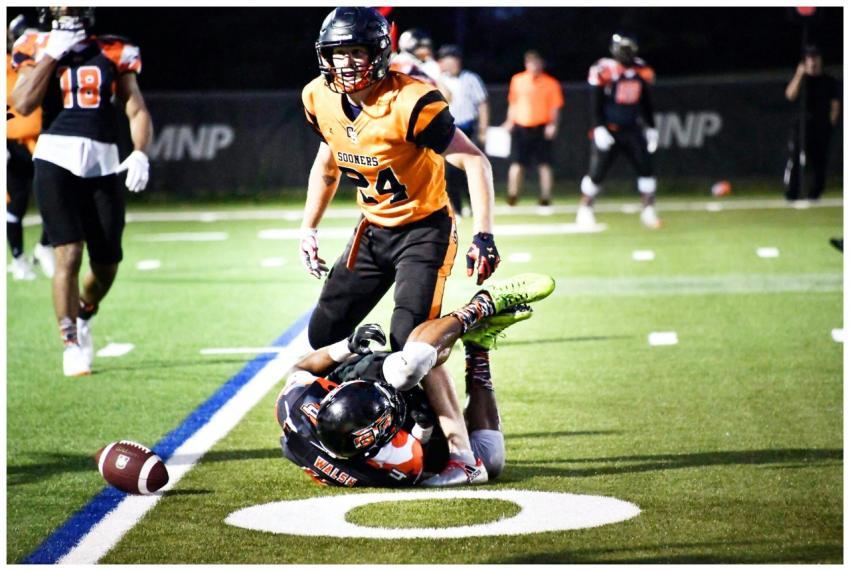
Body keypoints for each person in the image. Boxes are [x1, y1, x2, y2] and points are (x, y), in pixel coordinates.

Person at [299, 7, 500, 356]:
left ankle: (471, 320)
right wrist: (308, 228)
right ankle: (368, 400)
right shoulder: (319, 96)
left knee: (411, 347)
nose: (345, 63)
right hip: (373, 231)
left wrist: (483, 235)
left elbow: (474, 160)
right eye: (338, 53)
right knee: (323, 336)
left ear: (378, 53)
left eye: (356, 52)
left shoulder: (411, 101)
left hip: (424, 231)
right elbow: (327, 166)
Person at [275, 273, 556, 487]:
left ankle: (479, 307)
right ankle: (479, 348)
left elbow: (301, 367)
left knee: (404, 372)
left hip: (376, 376)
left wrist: (346, 347)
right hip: (405, 436)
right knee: (491, 460)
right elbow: (419, 458)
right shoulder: (391, 459)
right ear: (380, 442)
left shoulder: (299, 403)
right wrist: (423, 426)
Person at [11, 7, 153, 377]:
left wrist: (139, 151)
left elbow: (135, 108)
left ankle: (85, 312)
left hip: (103, 161)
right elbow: (22, 103)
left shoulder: (114, 49)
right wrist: (52, 54)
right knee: (68, 254)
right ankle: (70, 341)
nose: (68, 6)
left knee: (107, 263)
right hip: (54, 157)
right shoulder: (35, 44)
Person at [576, 33, 661, 229]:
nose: (626, 54)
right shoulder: (605, 69)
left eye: (629, 50)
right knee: (597, 172)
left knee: (646, 168)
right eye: (623, 50)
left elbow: (645, 102)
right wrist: (599, 127)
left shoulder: (641, 69)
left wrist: (651, 127)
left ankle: (648, 211)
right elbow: (596, 101)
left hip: (632, 128)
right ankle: (585, 210)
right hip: (610, 130)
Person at [6, 14, 54, 281]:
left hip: (42, 141)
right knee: (15, 205)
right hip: (11, 144)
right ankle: (18, 258)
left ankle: (45, 246)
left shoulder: (45, 61)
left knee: (55, 199)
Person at [503, 50, 563, 208]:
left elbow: (555, 108)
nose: (533, 66)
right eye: (530, 62)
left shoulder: (551, 83)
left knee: (544, 164)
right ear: (526, 64)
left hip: (541, 127)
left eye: (536, 62)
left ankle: (545, 197)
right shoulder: (517, 80)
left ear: (541, 64)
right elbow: (513, 103)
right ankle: (513, 195)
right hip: (521, 127)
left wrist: (553, 124)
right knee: (517, 163)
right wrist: (509, 121)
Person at [783, 45, 841, 201]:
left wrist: (830, 124)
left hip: (821, 126)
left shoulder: (829, 81)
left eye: (815, 57)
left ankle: (815, 193)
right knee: (795, 158)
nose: (813, 61)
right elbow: (790, 95)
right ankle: (792, 193)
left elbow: (835, 104)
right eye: (810, 58)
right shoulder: (802, 79)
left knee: (819, 161)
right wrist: (799, 74)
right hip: (802, 126)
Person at [438, 44, 490, 217]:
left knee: (471, 169)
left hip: (467, 128)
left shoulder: (471, 78)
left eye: (452, 59)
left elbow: (482, 103)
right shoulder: (439, 79)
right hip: (447, 130)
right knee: (450, 171)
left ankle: (474, 206)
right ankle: (457, 208)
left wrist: (483, 129)